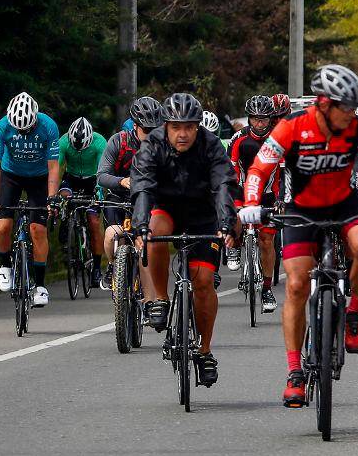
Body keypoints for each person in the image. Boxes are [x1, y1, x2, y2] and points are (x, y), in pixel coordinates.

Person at [236, 64, 358, 406]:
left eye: (354, 108)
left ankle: (353, 314)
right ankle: (294, 373)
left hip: (345, 204)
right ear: (324, 103)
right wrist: (251, 204)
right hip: (301, 209)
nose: (352, 115)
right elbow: (259, 168)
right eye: (346, 108)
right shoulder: (291, 127)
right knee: (297, 284)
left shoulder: (357, 127)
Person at [131, 92, 236, 387]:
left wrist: (227, 223)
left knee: (202, 281)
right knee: (154, 229)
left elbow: (224, 185)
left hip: (203, 214)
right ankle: (160, 300)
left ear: (197, 127)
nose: (183, 133)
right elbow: (142, 187)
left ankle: (204, 352)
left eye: (189, 127)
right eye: (176, 127)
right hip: (167, 208)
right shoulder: (153, 144)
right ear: (166, 126)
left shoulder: (210, 145)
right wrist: (139, 226)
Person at [0, 92, 60, 306]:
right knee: (2, 226)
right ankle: (5, 266)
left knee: (38, 230)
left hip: (39, 178)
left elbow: (53, 167)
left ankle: (40, 285)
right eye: (19, 129)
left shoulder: (48, 126)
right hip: (11, 176)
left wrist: (52, 198)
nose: (23, 132)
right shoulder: (2, 127)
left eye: (26, 129)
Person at [97, 96, 162, 294]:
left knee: (150, 240)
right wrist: (121, 181)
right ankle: (112, 266)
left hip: (148, 198)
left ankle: (148, 290)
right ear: (135, 125)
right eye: (146, 130)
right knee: (112, 234)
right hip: (118, 197)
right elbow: (101, 176)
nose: (151, 134)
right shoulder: (119, 141)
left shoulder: (163, 145)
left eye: (155, 129)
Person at [227, 95, 279, 313]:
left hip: (268, 195)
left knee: (266, 241)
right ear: (249, 119)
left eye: (264, 120)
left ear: (270, 119)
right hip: (242, 190)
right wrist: (232, 201)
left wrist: (282, 200)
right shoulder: (238, 139)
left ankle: (267, 289)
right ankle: (235, 246)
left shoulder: (278, 139)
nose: (259, 124)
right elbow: (230, 172)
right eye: (255, 119)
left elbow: (285, 174)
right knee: (236, 217)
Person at [58, 117, 107, 289]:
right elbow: (55, 168)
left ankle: (96, 268)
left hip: (93, 180)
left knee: (94, 222)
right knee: (64, 195)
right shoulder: (63, 142)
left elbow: (103, 170)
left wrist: (99, 190)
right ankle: (65, 219)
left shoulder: (100, 142)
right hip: (71, 179)